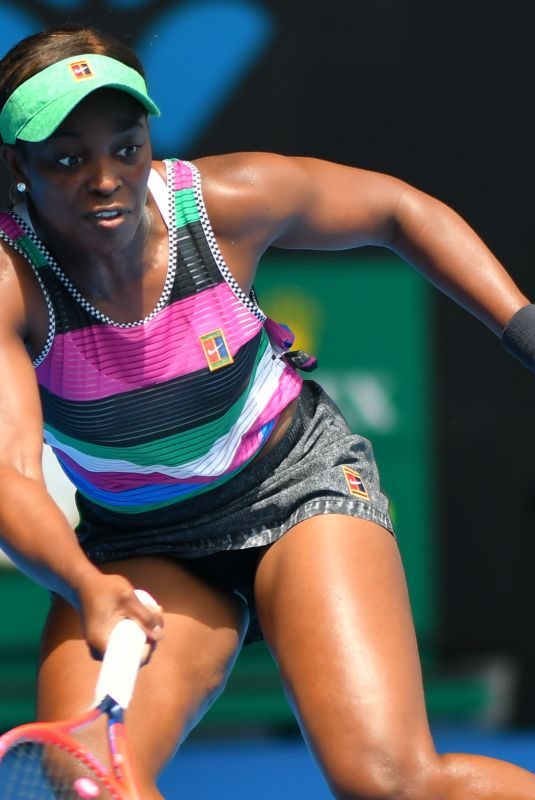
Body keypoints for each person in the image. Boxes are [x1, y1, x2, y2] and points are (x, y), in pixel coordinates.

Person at [0, 24, 534, 800]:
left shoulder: (221, 204)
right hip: (142, 543)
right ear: (17, 165)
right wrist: (87, 586)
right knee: (90, 785)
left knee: (390, 782)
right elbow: (13, 475)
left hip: (294, 491)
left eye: (125, 144)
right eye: (67, 157)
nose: (105, 176)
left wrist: (521, 325)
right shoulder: (13, 283)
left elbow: (395, 209)